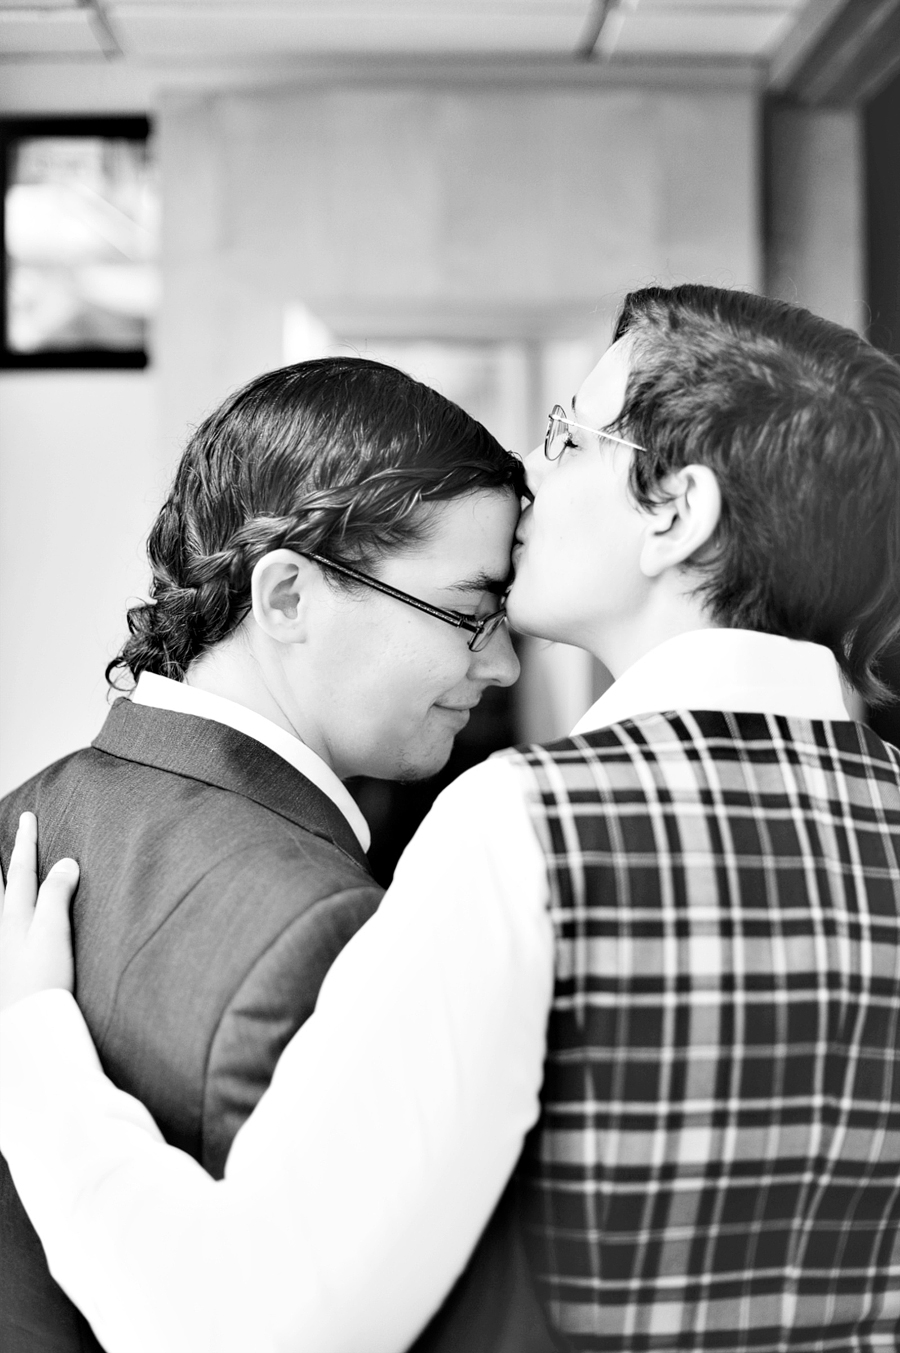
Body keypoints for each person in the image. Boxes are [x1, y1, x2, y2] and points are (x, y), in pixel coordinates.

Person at [2, 283, 900, 1353]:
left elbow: (245, 1325)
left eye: (572, 436)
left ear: (678, 511)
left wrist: (31, 1049)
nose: (539, 467)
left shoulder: (531, 828)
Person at [0, 355, 524, 1353]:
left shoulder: (20, 815)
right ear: (286, 598)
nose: (500, 664)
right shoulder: (319, 931)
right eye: (469, 613)